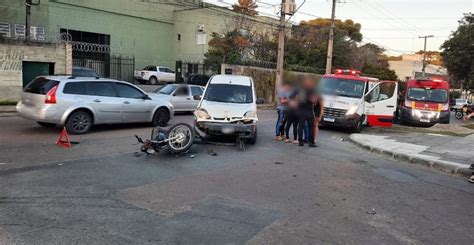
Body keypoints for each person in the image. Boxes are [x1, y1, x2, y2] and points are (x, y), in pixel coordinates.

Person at [298, 77, 317, 147]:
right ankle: (311, 142)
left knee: (301, 126)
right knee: (311, 127)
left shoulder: (301, 90)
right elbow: (313, 100)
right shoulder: (311, 90)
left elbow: (298, 99)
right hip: (308, 111)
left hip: (301, 110)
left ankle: (300, 142)